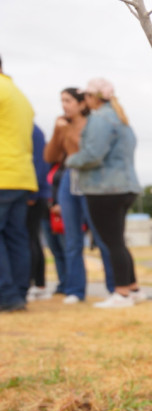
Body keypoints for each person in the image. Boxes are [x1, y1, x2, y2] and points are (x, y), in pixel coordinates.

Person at [65, 78, 144, 308]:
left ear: (92, 98)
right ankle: (132, 288)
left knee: (111, 242)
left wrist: (71, 160)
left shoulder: (99, 119)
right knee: (118, 240)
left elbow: (92, 155)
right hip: (126, 186)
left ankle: (121, 293)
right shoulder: (121, 119)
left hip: (104, 188)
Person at [44, 87, 115, 305]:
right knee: (72, 239)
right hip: (68, 179)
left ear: (81, 104)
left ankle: (115, 288)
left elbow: (83, 151)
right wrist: (57, 132)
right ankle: (75, 290)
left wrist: (66, 131)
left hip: (91, 179)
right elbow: (50, 156)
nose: (64, 105)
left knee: (101, 236)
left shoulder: (91, 123)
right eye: (61, 100)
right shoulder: (62, 125)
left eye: (68, 100)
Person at [0, 54, 37, 313]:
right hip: (22, 175)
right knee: (17, 237)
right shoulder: (18, 94)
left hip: (3, 173)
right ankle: (20, 292)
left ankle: (7, 294)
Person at [26, 124, 62, 301]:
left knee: (29, 239)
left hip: (34, 193)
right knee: (33, 240)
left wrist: (35, 191)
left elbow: (40, 164)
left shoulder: (33, 132)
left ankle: (34, 283)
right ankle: (37, 284)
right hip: (36, 192)